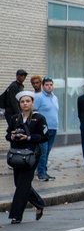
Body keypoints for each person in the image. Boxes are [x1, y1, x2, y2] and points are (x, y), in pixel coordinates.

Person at [5, 90, 47, 223]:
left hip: (31, 154)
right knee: (19, 183)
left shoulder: (39, 118)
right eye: (22, 102)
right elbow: (7, 135)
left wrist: (28, 137)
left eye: (28, 101)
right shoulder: (14, 118)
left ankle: (16, 215)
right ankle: (39, 203)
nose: (25, 104)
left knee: (23, 184)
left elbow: (44, 136)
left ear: (32, 103)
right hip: (17, 154)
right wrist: (11, 136)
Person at [33, 77, 59, 181]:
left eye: (51, 84)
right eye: (47, 85)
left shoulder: (55, 97)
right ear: (43, 86)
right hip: (43, 129)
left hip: (53, 128)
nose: (49, 86)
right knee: (42, 151)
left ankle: (44, 171)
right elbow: (33, 111)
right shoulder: (39, 97)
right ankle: (41, 173)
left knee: (47, 151)